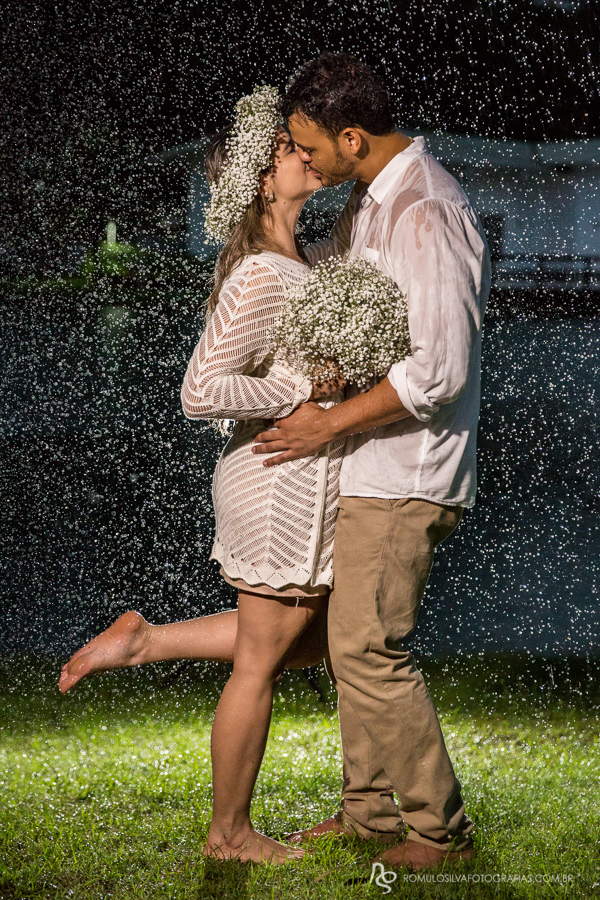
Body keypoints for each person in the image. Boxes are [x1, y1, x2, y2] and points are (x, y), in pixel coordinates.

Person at [59, 86, 349, 866]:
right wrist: (301, 389)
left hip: (295, 474)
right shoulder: (261, 273)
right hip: (274, 482)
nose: (303, 152)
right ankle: (230, 835)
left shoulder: (299, 260)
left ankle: (145, 640)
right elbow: (200, 391)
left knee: (320, 642)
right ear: (261, 179)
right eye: (287, 149)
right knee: (263, 660)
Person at [251, 53, 491, 871]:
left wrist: (324, 425)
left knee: (367, 649)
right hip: (370, 467)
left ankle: (441, 833)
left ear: (351, 137)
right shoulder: (371, 202)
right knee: (352, 646)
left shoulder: (426, 211)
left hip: (407, 472)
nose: (303, 157)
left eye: (308, 145)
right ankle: (369, 815)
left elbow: (438, 373)